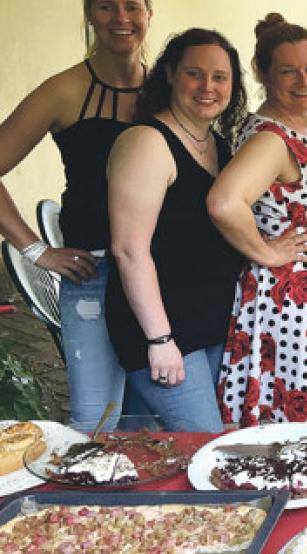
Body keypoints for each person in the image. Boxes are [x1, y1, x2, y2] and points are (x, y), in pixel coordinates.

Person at [208, 13, 307, 428]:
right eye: (288, 71)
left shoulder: (299, 130)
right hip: (296, 309)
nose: (305, 79)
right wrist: (265, 250)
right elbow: (225, 202)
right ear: (264, 74)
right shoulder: (271, 138)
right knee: (297, 428)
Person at [0, 0, 153, 431]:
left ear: (149, 12)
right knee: (96, 423)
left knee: (157, 423)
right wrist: (36, 250)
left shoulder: (169, 87)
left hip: (163, 277)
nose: (121, 18)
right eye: (106, 6)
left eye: (132, 6)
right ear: (89, 13)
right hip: (94, 275)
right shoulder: (63, 90)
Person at [104, 28, 246, 432]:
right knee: (205, 444)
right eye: (194, 73)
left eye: (220, 77)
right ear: (169, 74)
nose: (207, 87)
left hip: (209, 322)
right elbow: (129, 250)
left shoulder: (219, 144)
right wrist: (160, 341)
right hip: (165, 331)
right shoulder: (146, 142)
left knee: (153, 446)